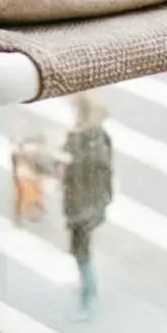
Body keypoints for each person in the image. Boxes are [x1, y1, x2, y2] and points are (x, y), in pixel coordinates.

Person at [58, 94, 115, 319]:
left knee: (81, 251)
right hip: (86, 204)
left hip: (83, 207)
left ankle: (88, 299)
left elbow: (80, 169)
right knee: (80, 250)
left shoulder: (85, 141)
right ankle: (86, 288)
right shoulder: (97, 137)